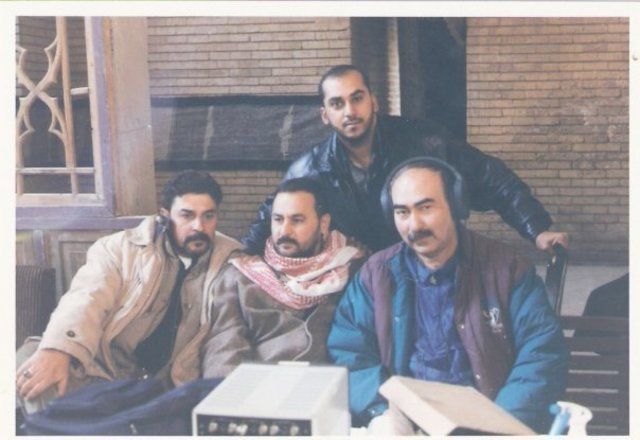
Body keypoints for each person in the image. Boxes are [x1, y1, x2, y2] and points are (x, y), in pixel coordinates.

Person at [327, 157, 568, 434]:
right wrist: (382, 413)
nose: (414, 225)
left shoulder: (508, 270)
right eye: (402, 212)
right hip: (405, 422)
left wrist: (501, 424)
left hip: (490, 421)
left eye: (426, 207)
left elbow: (542, 355)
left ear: (456, 206)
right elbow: (349, 353)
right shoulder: (375, 276)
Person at [243, 64, 568, 255]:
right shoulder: (310, 168)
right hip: (364, 278)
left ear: (374, 101)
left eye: (357, 98)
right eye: (337, 104)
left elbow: (490, 177)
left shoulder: (423, 141)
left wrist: (537, 229)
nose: (350, 111)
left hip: (430, 263)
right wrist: (243, 254)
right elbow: (274, 212)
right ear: (325, 115)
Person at [16, 171, 242, 413]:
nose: (199, 226)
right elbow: (86, 299)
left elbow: (227, 336)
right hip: (101, 370)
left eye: (209, 216)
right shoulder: (118, 249)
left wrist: (222, 400)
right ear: (165, 215)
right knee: (33, 372)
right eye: (187, 215)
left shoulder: (229, 261)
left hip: (165, 388)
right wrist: (58, 350)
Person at [201, 177, 366, 378]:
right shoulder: (240, 277)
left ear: (323, 223)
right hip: (259, 388)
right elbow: (224, 351)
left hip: (332, 386)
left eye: (297, 220)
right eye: (278, 219)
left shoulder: (353, 270)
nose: (285, 231)